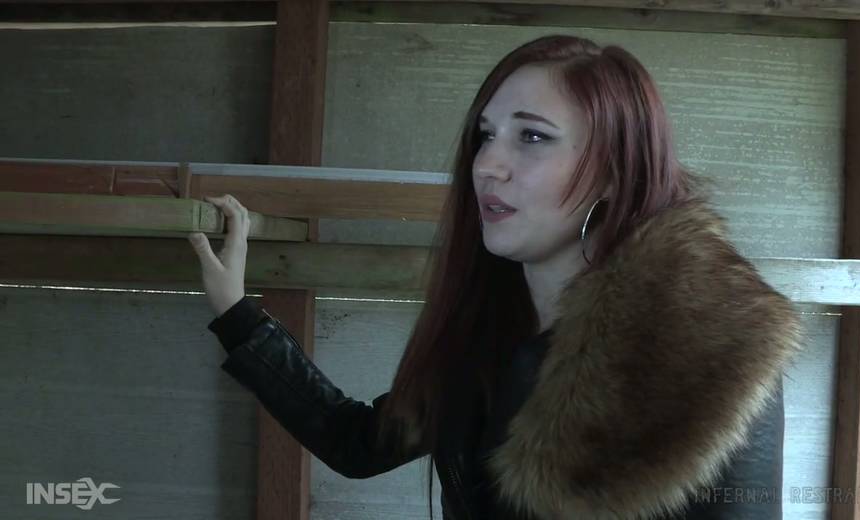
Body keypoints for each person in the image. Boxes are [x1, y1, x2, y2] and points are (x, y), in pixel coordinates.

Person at [189, 34, 803, 520]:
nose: (487, 164)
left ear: (616, 171)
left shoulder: (712, 349)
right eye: (486, 135)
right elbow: (357, 443)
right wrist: (239, 316)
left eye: (532, 136)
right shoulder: (488, 332)